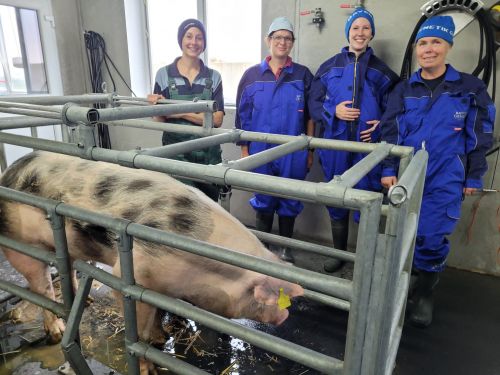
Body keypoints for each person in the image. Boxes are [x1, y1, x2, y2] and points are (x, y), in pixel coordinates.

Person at [380, 15, 495, 327]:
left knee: (431, 238)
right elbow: (389, 130)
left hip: (445, 176)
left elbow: (480, 134)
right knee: (402, 235)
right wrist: (388, 168)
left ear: (448, 47)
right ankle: (407, 283)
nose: (429, 49)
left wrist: (473, 175)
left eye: (436, 42)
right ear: (417, 49)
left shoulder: (469, 88)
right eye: (423, 43)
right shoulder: (403, 89)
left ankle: (425, 293)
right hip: (405, 176)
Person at [309, 8, 399, 272]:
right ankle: (340, 255)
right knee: (336, 199)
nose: (360, 33)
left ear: (372, 33)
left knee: (366, 200)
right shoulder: (329, 67)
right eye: (355, 28)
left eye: (365, 28)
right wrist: (332, 111)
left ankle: (363, 258)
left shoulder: (383, 73)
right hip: (334, 146)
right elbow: (313, 102)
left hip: (367, 149)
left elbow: (394, 109)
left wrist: (381, 123)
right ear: (348, 32)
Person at [235, 17, 315, 263]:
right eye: (277, 37)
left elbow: (312, 115)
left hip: (294, 149)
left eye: (287, 38)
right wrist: (246, 150)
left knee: (290, 199)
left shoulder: (302, 75)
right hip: (260, 149)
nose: (282, 42)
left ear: (292, 43)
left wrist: (310, 149)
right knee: (264, 199)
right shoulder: (251, 75)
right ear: (268, 40)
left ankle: (285, 248)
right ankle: (264, 248)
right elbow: (242, 116)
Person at [148, 19, 224, 201]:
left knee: (209, 209)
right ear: (181, 40)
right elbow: (160, 119)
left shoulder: (214, 77)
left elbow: (218, 119)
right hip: (176, 155)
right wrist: (154, 108)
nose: (194, 42)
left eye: (199, 38)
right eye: (189, 36)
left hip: (208, 156)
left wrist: (180, 112)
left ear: (204, 43)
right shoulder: (163, 74)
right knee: (180, 209)